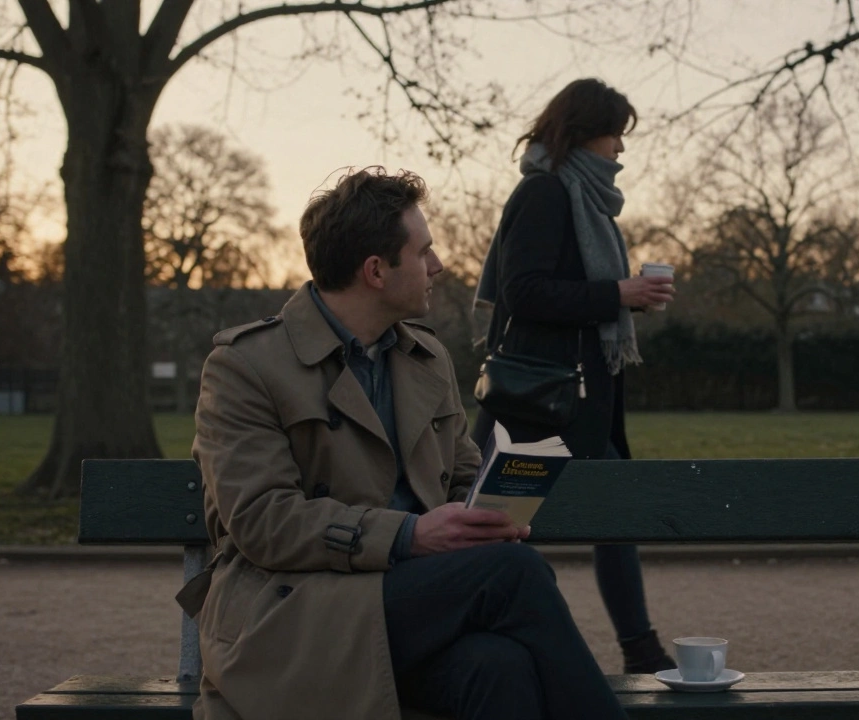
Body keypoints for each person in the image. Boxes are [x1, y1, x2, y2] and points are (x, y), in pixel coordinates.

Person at [180, 167, 627, 720]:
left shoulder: (426, 358)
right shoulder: (245, 366)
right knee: (515, 574)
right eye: (424, 252)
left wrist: (488, 512)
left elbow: (462, 473)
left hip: (413, 609)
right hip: (297, 615)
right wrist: (411, 535)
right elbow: (263, 521)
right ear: (375, 271)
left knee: (499, 666)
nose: (438, 266)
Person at [472, 78, 678, 674]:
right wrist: (617, 292)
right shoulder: (545, 194)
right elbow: (525, 292)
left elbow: (561, 294)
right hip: (541, 406)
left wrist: (624, 300)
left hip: (577, 403)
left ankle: (639, 649)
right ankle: (513, 647)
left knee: (613, 518)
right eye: (617, 134)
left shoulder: (582, 201)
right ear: (587, 133)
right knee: (495, 528)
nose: (621, 148)